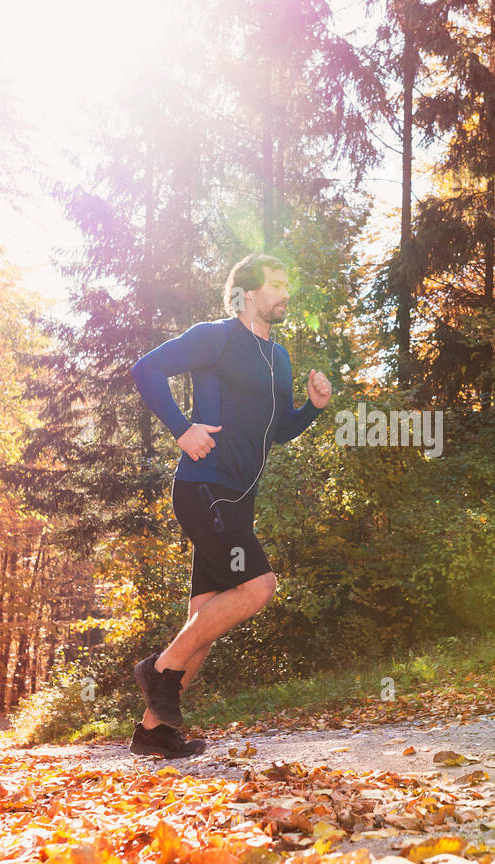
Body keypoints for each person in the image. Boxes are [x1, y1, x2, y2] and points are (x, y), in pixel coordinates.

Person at [128, 253, 332, 757]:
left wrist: (312, 409)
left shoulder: (279, 358)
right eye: (277, 283)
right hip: (205, 487)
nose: (286, 291)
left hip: (239, 501)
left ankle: (154, 732)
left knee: (204, 620)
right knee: (259, 586)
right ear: (247, 291)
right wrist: (182, 429)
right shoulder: (215, 336)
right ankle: (156, 672)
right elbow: (146, 369)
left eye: (288, 283)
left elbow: (277, 432)